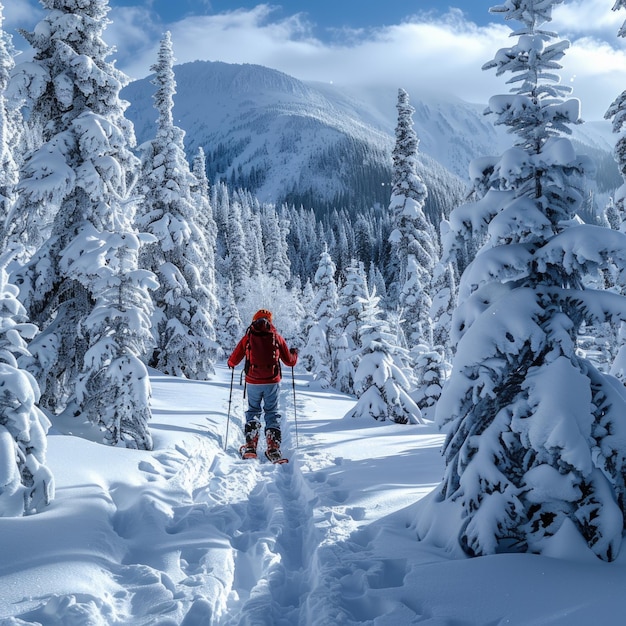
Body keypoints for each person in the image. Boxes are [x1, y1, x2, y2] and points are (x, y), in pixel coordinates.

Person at [227, 309, 298, 461]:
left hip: (252, 381)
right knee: (271, 412)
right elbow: (289, 361)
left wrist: (231, 363)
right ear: (270, 321)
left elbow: (234, 359)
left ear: (254, 320)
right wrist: (294, 353)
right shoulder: (276, 336)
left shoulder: (248, 336)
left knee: (253, 410)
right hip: (272, 381)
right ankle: (273, 448)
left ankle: (251, 446)